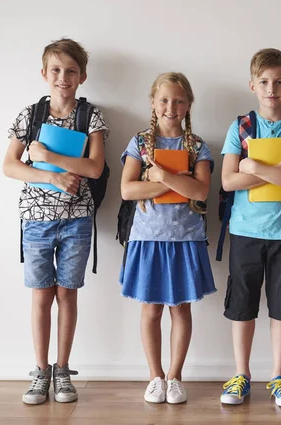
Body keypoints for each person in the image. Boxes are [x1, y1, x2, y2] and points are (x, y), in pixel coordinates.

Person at [3, 38, 109, 405]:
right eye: (56, 70)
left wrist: (47, 156)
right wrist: (51, 176)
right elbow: (9, 166)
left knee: (67, 293)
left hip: (77, 219)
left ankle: (62, 370)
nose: (63, 77)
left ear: (82, 76)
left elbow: (94, 168)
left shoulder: (90, 115)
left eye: (71, 71)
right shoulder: (30, 115)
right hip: (35, 220)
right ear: (44, 73)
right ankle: (40, 371)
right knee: (41, 295)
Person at [219, 48, 281, 408]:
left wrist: (253, 166)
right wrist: (278, 170)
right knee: (242, 306)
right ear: (252, 85)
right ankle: (241, 375)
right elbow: (229, 181)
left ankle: (279, 377)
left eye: (278, 82)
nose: (271, 88)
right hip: (244, 230)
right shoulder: (240, 126)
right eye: (264, 82)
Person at [119, 72, 216, 404]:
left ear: (188, 105)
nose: (170, 107)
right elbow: (128, 189)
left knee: (180, 310)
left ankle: (175, 377)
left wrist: (160, 176)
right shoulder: (141, 143)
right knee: (151, 311)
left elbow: (200, 191)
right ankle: (155, 377)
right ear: (153, 103)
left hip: (186, 238)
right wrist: (171, 179)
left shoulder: (197, 146)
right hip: (147, 238)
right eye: (164, 100)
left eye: (178, 101)